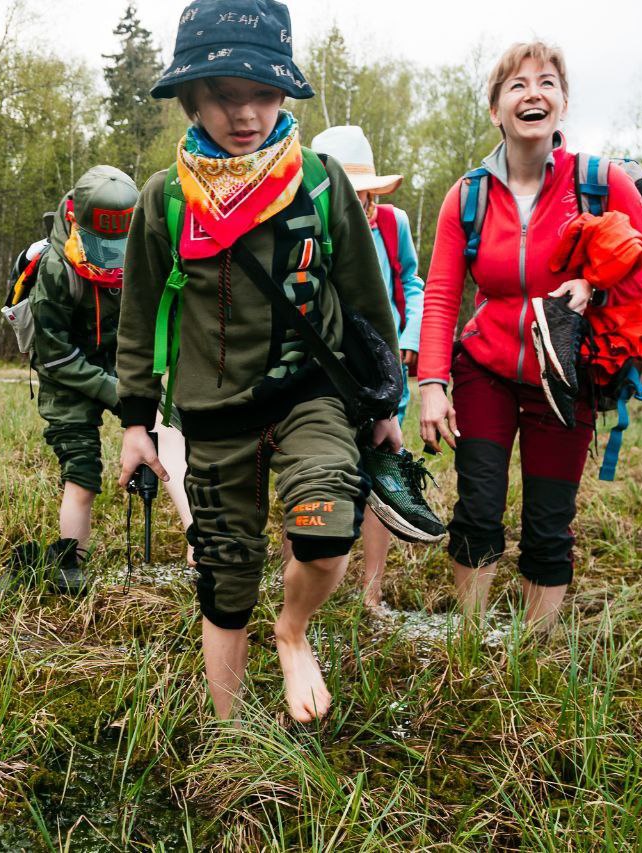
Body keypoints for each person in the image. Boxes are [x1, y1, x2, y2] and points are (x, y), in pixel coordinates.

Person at [116, 0, 403, 724]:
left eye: (263, 93)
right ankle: (229, 733)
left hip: (313, 393)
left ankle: (294, 630)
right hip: (212, 413)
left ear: (284, 94)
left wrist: (383, 408)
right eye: (223, 94)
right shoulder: (166, 201)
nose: (244, 113)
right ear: (191, 96)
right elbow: (142, 317)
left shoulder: (319, 181)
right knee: (224, 572)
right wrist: (134, 423)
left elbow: (367, 302)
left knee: (326, 527)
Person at [417, 41, 642, 632]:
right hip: (485, 370)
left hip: (567, 373)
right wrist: (433, 383)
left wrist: (597, 285)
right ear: (495, 110)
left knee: (548, 519)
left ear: (562, 103)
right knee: (477, 509)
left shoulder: (600, 180)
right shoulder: (468, 196)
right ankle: (472, 644)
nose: (533, 93)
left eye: (547, 82)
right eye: (517, 85)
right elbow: (439, 294)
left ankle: (535, 652)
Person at [310, 125, 444, 612]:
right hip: (322, 377)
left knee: (381, 480)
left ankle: (371, 594)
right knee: (316, 478)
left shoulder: (393, 224)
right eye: (351, 194)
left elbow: (412, 281)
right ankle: (300, 588)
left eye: (367, 196)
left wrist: (408, 340)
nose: (361, 206)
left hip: (383, 373)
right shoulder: (303, 228)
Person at [25, 165, 140, 595]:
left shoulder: (135, 256)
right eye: (102, 244)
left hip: (117, 364)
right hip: (66, 378)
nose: (111, 254)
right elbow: (53, 357)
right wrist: (114, 393)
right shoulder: (56, 270)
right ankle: (72, 567)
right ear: (76, 222)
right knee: (83, 473)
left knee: (167, 437)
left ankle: (199, 544)